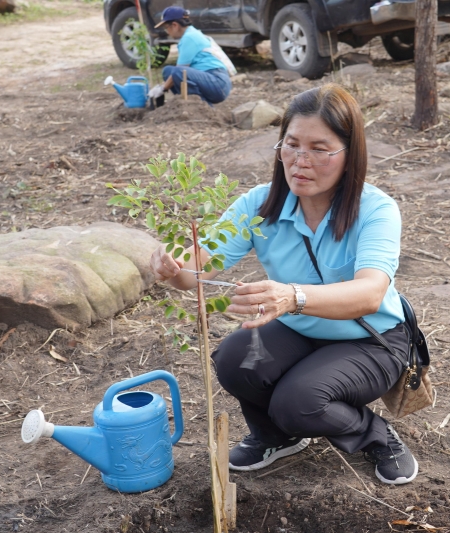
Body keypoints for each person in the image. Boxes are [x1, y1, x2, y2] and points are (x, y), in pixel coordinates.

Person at [150, 84, 418, 485]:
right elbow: (194, 273)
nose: (300, 161)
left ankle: (375, 434)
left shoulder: (375, 209)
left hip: (371, 339)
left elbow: (369, 294)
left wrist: (292, 296)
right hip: (299, 330)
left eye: (319, 149)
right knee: (235, 359)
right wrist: (171, 265)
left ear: (350, 154)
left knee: (299, 401)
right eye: (291, 145)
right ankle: (275, 436)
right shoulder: (260, 206)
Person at [148, 6, 234, 105]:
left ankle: (201, 106)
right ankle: (187, 104)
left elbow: (180, 70)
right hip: (212, 80)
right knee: (168, 71)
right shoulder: (191, 34)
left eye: (166, 27)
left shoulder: (189, 38)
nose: (167, 31)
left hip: (218, 83)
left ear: (175, 25)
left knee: (178, 72)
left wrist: (162, 88)